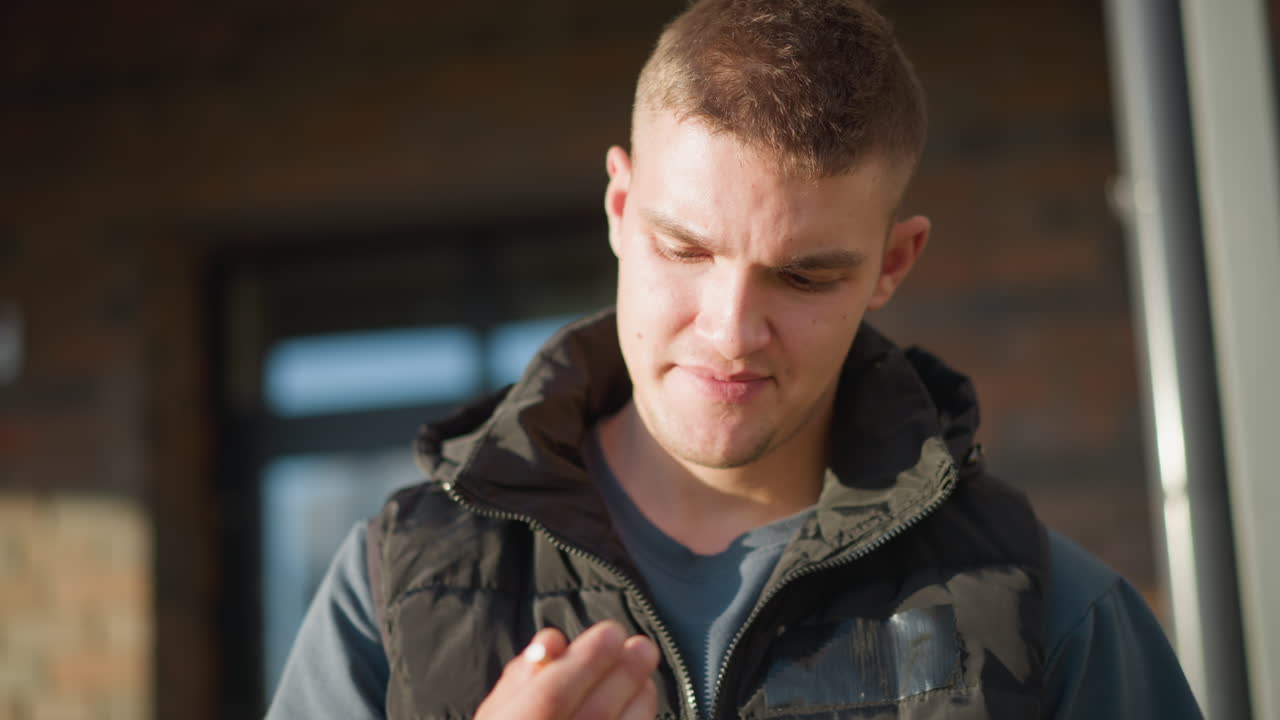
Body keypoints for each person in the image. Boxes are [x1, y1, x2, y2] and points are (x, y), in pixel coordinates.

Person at [267, 0, 1203, 718]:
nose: (729, 331)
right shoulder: (396, 585)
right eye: (685, 251)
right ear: (620, 209)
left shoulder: (1052, 612)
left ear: (893, 262)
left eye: (803, 278)